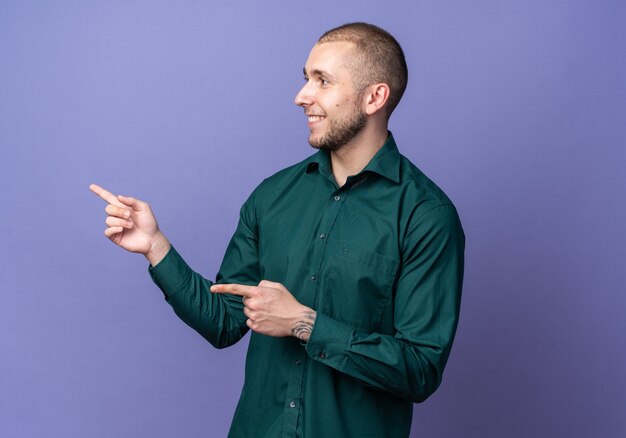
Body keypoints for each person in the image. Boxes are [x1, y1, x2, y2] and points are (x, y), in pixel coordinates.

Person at [91, 22, 464, 438]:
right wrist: (155, 247)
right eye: (306, 78)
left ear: (374, 97)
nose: (302, 96)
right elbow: (223, 322)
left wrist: (305, 322)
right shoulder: (271, 197)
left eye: (322, 81)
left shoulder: (425, 215)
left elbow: (420, 369)